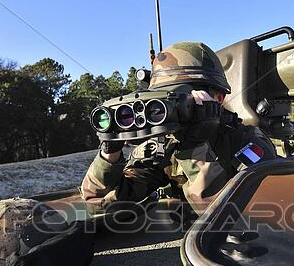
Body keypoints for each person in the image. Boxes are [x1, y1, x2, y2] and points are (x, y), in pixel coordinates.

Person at [80, 42, 277, 216]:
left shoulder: (245, 140)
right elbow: (98, 204)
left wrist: (196, 148)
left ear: (218, 99)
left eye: (179, 97)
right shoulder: (162, 145)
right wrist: (110, 154)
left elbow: (254, 213)